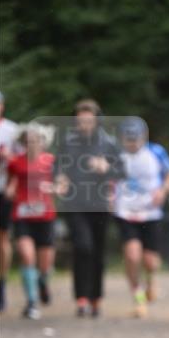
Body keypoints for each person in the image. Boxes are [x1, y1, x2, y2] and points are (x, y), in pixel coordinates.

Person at [54, 99, 124, 317]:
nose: (83, 124)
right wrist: (60, 179)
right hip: (75, 203)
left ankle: (96, 298)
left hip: (100, 203)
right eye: (80, 120)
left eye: (88, 120)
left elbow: (122, 171)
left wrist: (107, 167)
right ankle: (81, 297)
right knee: (83, 247)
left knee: (97, 252)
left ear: (97, 121)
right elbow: (57, 167)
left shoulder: (108, 143)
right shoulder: (68, 142)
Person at [114, 117, 169, 318]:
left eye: (136, 140)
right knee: (132, 256)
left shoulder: (156, 151)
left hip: (151, 212)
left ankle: (151, 280)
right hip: (125, 211)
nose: (132, 144)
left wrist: (163, 191)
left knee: (151, 262)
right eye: (128, 140)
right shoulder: (116, 155)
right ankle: (138, 298)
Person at [6, 126, 56, 320]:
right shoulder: (16, 163)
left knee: (45, 265)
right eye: (28, 141)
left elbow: (63, 185)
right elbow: (11, 182)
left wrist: (53, 187)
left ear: (43, 142)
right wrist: (11, 190)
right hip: (22, 216)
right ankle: (32, 302)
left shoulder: (51, 162)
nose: (32, 144)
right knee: (27, 256)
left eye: (36, 140)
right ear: (23, 143)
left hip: (45, 217)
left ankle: (43, 282)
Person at [0, 90, 20, 312]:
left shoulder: (12, 131)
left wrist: (8, 159)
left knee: (2, 239)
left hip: (4, 190)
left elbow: (24, 162)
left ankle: (1, 284)